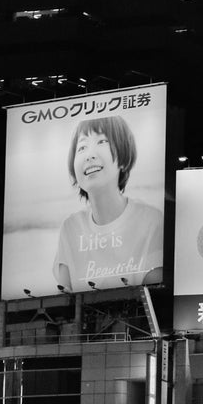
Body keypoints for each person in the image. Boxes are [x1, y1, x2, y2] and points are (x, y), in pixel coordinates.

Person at [53, 115, 164, 291]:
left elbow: (155, 294)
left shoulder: (152, 221)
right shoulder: (70, 228)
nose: (89, 155)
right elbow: (64, 295)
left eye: (102, 141)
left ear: (123, 156)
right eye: (82, 147)